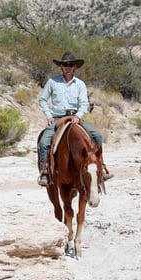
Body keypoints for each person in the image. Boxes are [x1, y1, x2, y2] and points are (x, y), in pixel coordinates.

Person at [37, 52, 114, 187]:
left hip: (75, 117)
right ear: (61, 67)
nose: (68, 67)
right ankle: (45, 172)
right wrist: (48, 116)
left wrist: (78, 116)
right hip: (57, 117)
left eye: (70, 65)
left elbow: (84, 103)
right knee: (44, 143)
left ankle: (100, 167)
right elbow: (42, 100)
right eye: (65, 65)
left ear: (75, 67)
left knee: (97, 136)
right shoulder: (52, 82)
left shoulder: (80, 84)